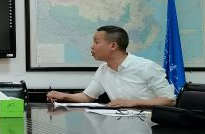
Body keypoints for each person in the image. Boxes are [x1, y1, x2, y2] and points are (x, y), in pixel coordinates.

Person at [47, 25, 176, 108]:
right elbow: (87, 97)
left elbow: (169, 100)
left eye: (96, 42)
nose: (92, 47)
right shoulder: (103, 69)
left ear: (113, 45)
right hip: (119, 126)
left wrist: (133, 102)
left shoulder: (146, 67)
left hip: (149, 130)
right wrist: (64, 96)